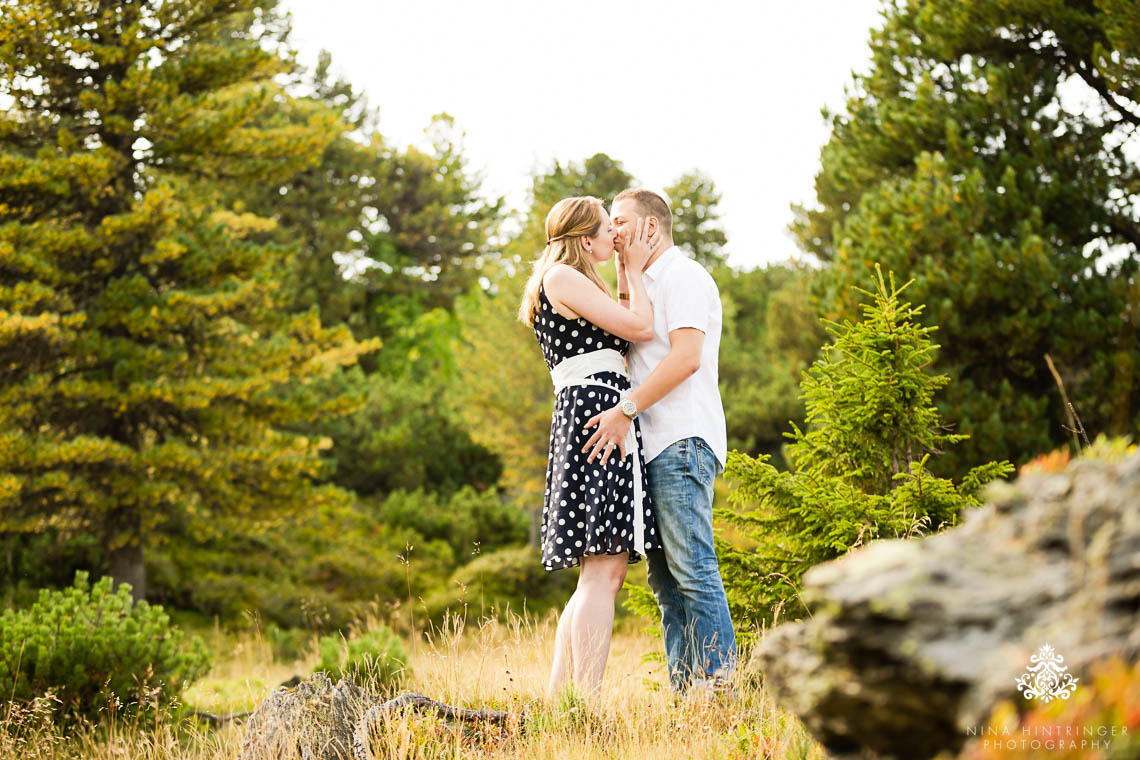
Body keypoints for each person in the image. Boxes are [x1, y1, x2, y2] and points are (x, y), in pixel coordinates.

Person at [579, 188, 736, 693]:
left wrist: (626, 410)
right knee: (666, 584)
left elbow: (686, 357)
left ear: (651, 226)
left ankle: (720, 689)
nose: (614, 230)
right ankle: (686, 695)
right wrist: (626, 273)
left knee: (693, 569)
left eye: (621, 221)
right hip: (652, 448)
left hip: (682, 440)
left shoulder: (684, 275)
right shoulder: (643, 285)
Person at [516, 195, 665, 699]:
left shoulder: (572, 281)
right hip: (597, 415)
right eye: (608, 230)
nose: (615, 236)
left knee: (598, 572)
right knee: (605, 567)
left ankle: (563, 702)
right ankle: (589, 704)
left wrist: (625, 267)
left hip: (595, 412)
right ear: (584, 239)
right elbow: (641, 327)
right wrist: (636, 267)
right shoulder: (561, 277)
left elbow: (626, 323)